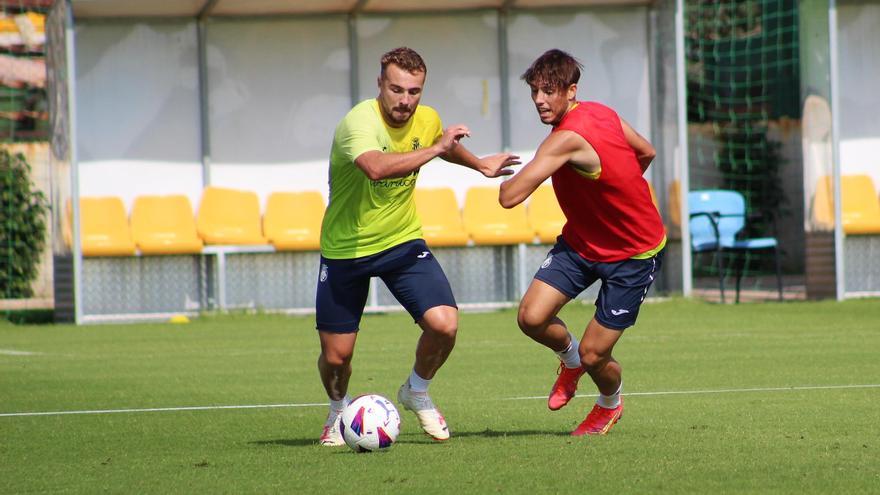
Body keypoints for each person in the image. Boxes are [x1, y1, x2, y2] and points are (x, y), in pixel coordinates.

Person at [316, 47, 520, 446]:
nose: (405, 101)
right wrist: (437, 150)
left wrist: (479, 164)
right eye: (396, 89)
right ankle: (339, 411)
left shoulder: (426, 121)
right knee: (337, 358)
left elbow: (440, 143)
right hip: (346, 249)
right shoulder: (358, 122)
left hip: (401, 241)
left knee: (445, 325)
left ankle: (417, 390)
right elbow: (375, 167)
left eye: (414, 91)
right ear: (380, 84)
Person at [499, 49, 665, 436]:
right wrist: (611, 195)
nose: (540, 100)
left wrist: (491, 169)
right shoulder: (602, 112)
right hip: (582, 243)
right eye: (535, 92)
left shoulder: (565, 140)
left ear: (571, 91)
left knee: (596, 354)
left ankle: (609, 404)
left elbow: (509, 196)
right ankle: (569, 360)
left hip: (633, 255)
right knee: (531, 318)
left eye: (549, 91)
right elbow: (646, 151)